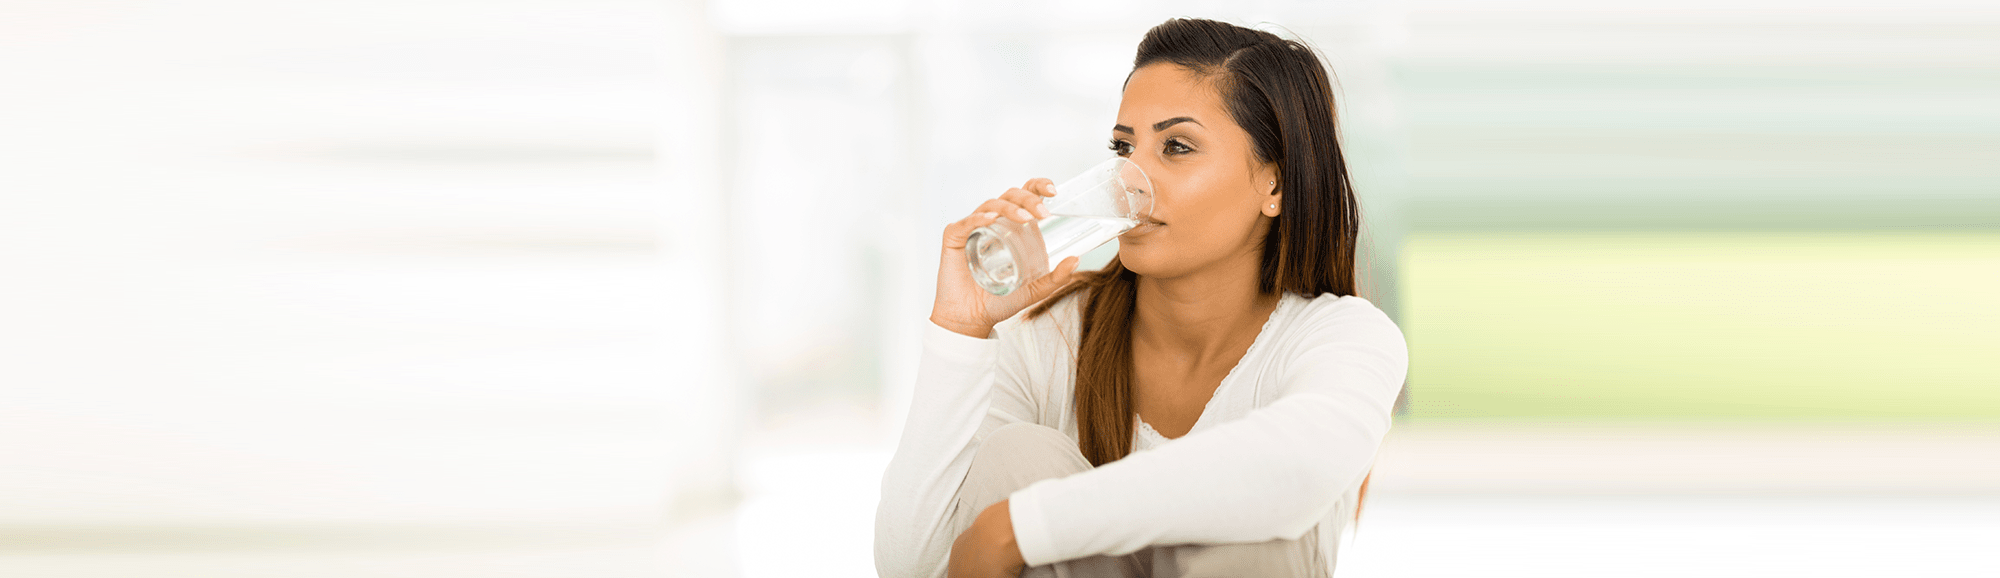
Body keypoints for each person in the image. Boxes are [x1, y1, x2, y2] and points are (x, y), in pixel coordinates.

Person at [875, 18, 1409, 578]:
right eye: (1124, 146)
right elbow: (914, 568)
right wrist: (961, 328)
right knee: (1017, 457)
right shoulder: (1047, 336)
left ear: (1272, 185)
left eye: (1176, 146)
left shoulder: (1345, 337)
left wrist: (1018, 529)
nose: (1130, 178)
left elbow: (1291, 472)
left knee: (1253, 538)